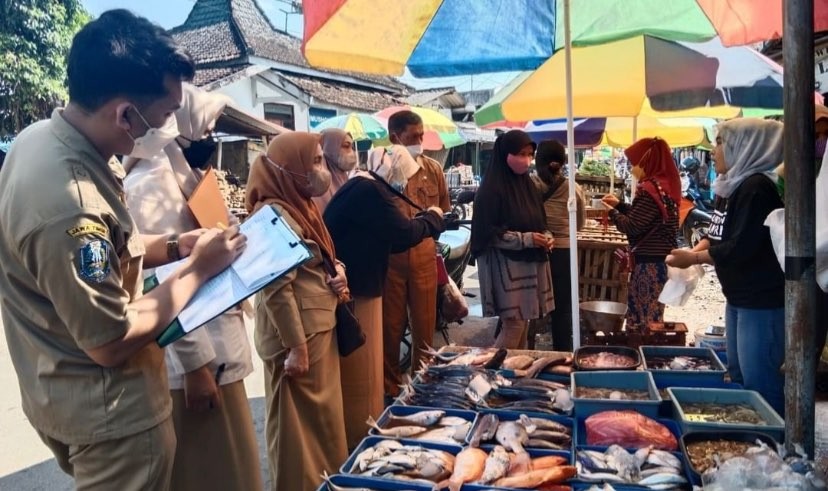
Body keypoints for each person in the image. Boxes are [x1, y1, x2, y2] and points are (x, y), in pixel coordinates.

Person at [0, 10, 246, 490]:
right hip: (114, 414)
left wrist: (176, 246)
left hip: (63, 392)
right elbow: (110, 340)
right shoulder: (71, 204)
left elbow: (118, 247)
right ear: (124, 114)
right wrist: (197, 270)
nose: (169, 125)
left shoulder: (41, 141)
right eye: (164, 115)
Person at [123, 84, 262, 491]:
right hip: (199, 360)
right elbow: (161, 280)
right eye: (208, 126)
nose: (212, 136)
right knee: (212, 469)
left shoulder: (187, 172)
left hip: (218, 344)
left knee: (231, 464)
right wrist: (196, 366)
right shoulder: (150, 183)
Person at [245, 132, 348, 490]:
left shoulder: (298, 205)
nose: (321, 170)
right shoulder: (272, 214)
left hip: (316, 327)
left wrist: (338, 273)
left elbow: (312, 259)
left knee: (319, 427)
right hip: (300, 337)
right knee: (296, 434)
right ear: (289, 169)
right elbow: (275, 287)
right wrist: (297, 347)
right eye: (315, 162)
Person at [324, 145, 445, 448]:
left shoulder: (362, 186)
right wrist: (432, 218)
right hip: (359, 288)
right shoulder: (370, 191)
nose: (404, 183)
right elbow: (403, 233)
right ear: (391, 171)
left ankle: (365, 422)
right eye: (403, 176)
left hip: (360, 283)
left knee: (367, 365)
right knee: (362, 370)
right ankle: (360, 433)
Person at [667, 119, 785, 415]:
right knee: (740, 375)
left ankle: (777, 450)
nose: (714, 150)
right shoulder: (728, 187)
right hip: (737, 299)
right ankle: (753, 442)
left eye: (721, 143)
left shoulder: (756, 188)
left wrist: (692, 260)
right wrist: (694, 250)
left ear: (743, 147)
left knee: (761, 383)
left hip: (761, 303)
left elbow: (741, 246)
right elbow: (717, 233)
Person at [382, 111, 450, 398]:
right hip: (390, 259)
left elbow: (443, 208)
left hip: (423, 255)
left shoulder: (432, 168)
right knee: (390, 328)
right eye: (413, 137)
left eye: (422, 135)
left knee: (425, 325)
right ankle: (388, 387)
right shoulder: (381, 167)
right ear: (395, 137)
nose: (420, 141)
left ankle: (423, 386)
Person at [470, 130, 555, 349]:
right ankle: (491, 372)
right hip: (505, 269)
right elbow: (488, 235)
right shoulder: (490, 190)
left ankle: (512, 373)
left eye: (529, 154)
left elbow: (538, 221)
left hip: (528, 267)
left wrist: (546, 237)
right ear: (505, 154)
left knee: (522, 324)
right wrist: (527, 239)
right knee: (514, 325)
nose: (525, 159)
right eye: (520, 153)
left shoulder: (528, 186)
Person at [603, 137, 680, 329]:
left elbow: (632, 226)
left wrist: (610, 211)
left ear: (646, 161)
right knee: (652, 316)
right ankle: (648, 353)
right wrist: (619, 205)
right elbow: (646, 217)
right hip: (659, 263)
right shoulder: (664, 187)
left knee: (644, 321)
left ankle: (643, 355)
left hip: (648, 266)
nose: (632, 168)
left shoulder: (649, 189)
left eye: (635, 163)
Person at [533, 140, 586, 351]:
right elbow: (579, 223)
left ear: (538, 161)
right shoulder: (574, 188)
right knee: (563, 309)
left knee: (529, 306)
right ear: (563, 162)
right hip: (565, 253)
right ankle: (562, 355)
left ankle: (524, 349)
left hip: (535, 249)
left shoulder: (529, 186)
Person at [313, 128, 358, 212]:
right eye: (346, 146)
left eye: (352, 147)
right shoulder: (319, 185)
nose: (352, 152)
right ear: (330, 147)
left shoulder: (344, 178)